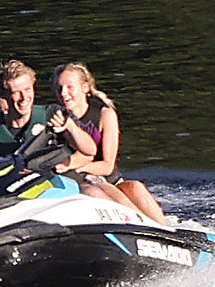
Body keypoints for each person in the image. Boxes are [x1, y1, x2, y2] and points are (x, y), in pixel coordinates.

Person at [49, 61, 171, 225]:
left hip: (104, 175)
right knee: (102, 189)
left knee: (135, 187)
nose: (63, 93)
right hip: (80, 180)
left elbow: (107, 165)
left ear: (85, 87)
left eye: (70, 87)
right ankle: (136, 225)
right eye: (59, 88)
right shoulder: (55, 116)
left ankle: (165, 230)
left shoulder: (105, 114)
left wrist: (74, 166)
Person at [0, 59, 47, 161]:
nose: (24, 97)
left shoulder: (53, 116)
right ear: (3, 97)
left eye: (28, 89)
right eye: (16, 92)